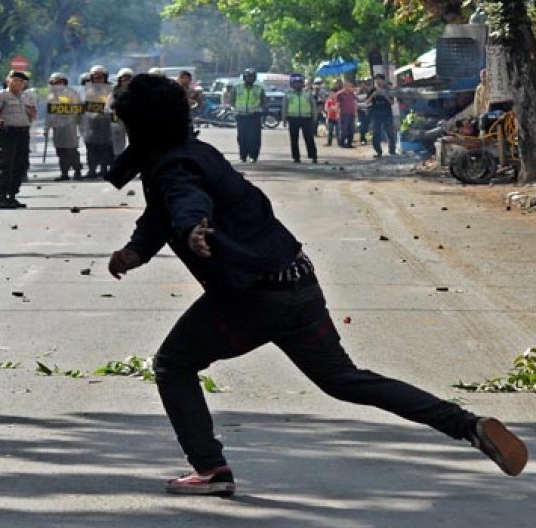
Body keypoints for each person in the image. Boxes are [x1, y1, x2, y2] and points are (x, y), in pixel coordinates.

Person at [104, 73, 529, 497]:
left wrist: (193, 225)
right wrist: (136, 252)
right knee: (345, 379)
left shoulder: (175, 166)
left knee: (173, 364)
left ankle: (210, 468)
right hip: (298, 284)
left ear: (141, 125)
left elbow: (183, 200)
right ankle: (467, 425)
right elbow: (162, 212)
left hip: (253, 299)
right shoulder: (195, 152)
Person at [0, 70, 36, 209]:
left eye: (21, 81)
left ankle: (12, 196)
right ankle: (2, 198)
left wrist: (31, 115)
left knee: (21, 166)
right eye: (15, 80)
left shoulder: (26, 97)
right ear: (8, 80)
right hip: (7, 132)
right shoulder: (1, 96)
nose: (18, 83)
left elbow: (31, 113)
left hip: (22, 132)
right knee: (6, 165)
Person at [45, 72, 83, 181]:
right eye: (54, 82)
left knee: (72, 150)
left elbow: (78, 108)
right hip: (57, 127)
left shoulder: (71, 93)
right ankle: (64, 173)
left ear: (64, 82)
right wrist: (46, 128)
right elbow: (49, 114)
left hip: (70, 125)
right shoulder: (51, 95)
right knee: (60, 151)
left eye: (59, 81)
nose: (56, 84)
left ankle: (77, 171)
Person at [81, 64, 114, 178]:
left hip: (105, 121)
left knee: (105, 146)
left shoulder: (110, 89)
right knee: (91, 147)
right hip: (90, 122)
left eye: (101, 76)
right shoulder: (86, 88)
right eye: (96, 77)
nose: (98, 79)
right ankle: (92, 170)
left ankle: (104, 169)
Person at [231, 68, 266, 163]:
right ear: (244, 77)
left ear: (254, 78)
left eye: (251, 77)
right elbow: (232, 100)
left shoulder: (259, 89)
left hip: (254, 116)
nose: (249, 79)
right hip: (241, 116)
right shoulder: (236, 87)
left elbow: (264, 102)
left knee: (254, 137)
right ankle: (243, 156)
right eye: (248, 77)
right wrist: (235, 110)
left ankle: (253, 156)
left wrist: (260, 110)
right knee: (242, 137)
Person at [282, 73, 318, 163]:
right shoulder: (288, 94)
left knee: (309, 138)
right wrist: (284, 119)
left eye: (299, 83)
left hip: (306, 118)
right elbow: (284, 107)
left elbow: (313, 106)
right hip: (293, 118)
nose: (297, 85)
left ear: (302, 84)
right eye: (295, 83)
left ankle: (313, 156)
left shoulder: (307, 94)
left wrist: (315, 117)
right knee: (294, 139)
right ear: (291, 84)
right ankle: (296, 157)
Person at [366, 74, 397, 158]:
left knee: (390, 132)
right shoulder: (372, 90)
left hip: (387, 114)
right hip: (376, 114)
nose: (378, 82)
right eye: (376, 80)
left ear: (383, 81)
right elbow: (367, 102)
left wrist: (385, 95)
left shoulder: (387, 90)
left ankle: (392, 151)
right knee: (376, 133)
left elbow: (392, 102)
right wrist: (373, 95)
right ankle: (378, 151)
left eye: (380, 80)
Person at [108, 68, 133, 159]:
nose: (126, 82)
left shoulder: (136, 91)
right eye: (124, 80)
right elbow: (108, 107)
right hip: (118, 122)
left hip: (132, 122)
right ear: (120, 80)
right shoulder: (114, 92)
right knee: (118, 146)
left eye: (128, 79)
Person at [336, 81, 357, 148]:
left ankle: (349, 143)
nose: (349, 87)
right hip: (344, 113)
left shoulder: (352, 94)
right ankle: (342, 143)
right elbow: (337, 104)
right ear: (344, 86)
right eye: (347, 85)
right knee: (344, 129)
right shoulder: (340, 94)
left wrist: (355, 113)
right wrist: (338, 113)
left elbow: (354, 102)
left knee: (351, 129)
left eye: (350, 86)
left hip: (352, 113)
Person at [356, 80, 371, 145]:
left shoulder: (369, 93)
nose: (363, 86)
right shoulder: (357, 94)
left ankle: (364, 136)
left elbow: (370, 102)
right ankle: (362, 139)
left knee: (366, 125)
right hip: (360, 111)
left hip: (368, 111)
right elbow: (356, 103)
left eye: (364, 85)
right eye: (361, 85)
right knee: (361, 125)